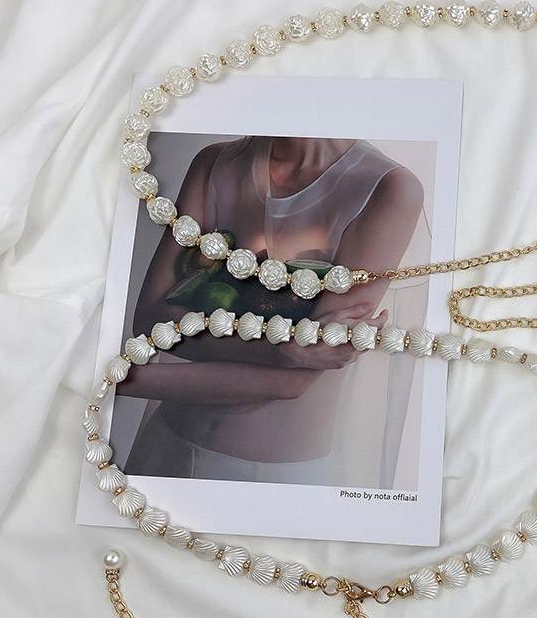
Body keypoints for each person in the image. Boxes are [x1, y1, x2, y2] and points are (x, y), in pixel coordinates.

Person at [117, 136, 425, 485]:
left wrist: (120, 381)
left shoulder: (387, 188)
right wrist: (283, 349)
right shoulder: (215, 162)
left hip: (276, 480)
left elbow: (292, 382)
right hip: (161, 447)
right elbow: (152, 321)